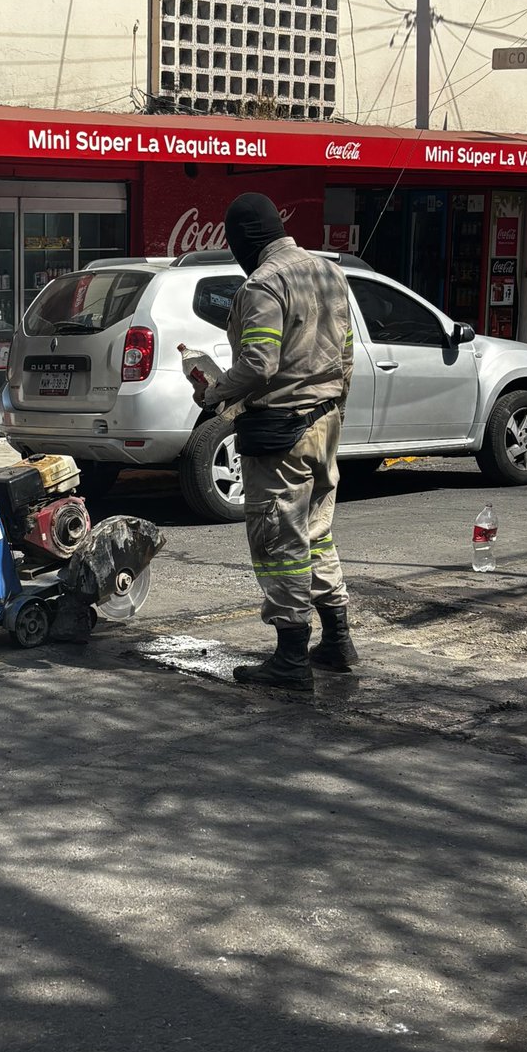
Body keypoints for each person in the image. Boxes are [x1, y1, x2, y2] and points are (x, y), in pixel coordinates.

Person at [199, 193, 358, 690]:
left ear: (244, 240)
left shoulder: (263, 284)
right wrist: (333, 411)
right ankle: (337, 640)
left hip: (281, 433)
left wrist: (214, 392)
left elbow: (259, 363)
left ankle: (291, 659)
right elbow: (346, 354)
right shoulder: (329, 272)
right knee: (316, 532)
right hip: (325, 423)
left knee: (279, 542)